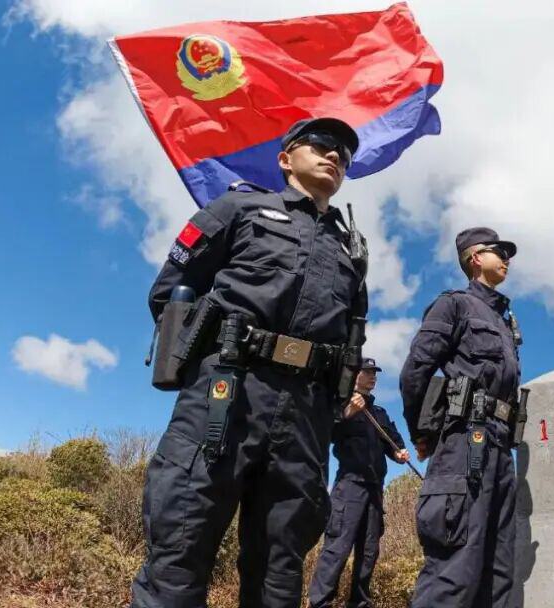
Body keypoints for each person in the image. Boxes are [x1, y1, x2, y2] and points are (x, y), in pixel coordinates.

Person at [132, 117, 369, 608]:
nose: (334, 156)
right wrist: (208, 358)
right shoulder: (239, 208)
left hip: (305, 415)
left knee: (279, 570)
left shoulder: (350, 250)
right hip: (226, 394)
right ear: (285, 159)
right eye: (320, 144)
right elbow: (170, 292)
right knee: (180, 544)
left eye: (344, 155)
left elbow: (351, 334)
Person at [400, 227, 522, 608]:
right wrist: (422, 432)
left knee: (499, 571)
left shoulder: (505, 322)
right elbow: (415, 371)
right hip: (465, 442)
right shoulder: (454, 305)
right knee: (455, 569)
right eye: (499, 251)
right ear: (475, 258)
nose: (506, 259)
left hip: (501, 449)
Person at [308, 357, 409, 608]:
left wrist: (400, 453)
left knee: (369, 551)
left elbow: (395, 444)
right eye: (368, 372)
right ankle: (319, 603)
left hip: (376, 491)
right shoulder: (341, 404)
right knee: (338, 548)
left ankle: (360, 603)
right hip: (350, 487)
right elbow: (324, 433)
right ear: (355, 376)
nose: (373, 376)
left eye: (375, 373)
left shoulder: (380, 413)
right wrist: (347, 413)